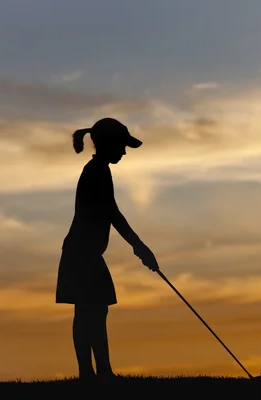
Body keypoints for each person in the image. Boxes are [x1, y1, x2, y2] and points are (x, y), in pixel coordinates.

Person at [56, 117, 159, 382]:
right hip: (83, 253)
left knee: (91, 310)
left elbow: (110, 212)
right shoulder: (97, 171)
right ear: (108, 145)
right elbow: (112, 213)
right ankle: (96, 372)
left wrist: (140, 247)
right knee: (92, 310)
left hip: (83, 252)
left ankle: (95, 372)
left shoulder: (99, 169)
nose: (124, 152)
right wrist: (139, 246)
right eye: (121, 146)